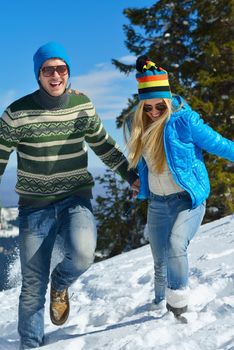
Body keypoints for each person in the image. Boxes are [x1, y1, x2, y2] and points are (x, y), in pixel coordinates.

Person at [0, 42, 139, 349]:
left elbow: (103, 144)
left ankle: (60, 284)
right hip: (34, 206)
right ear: (38, 75)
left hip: (75, 197)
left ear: (68, 73)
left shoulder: (82, 105)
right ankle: (31, 344)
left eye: (61, 68)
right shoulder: (16, 113)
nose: (55, 75)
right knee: (33, 283)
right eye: (48, 69)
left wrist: (129, 174)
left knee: (84, 254)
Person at [125, 55, 234, 319]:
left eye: (159, 107)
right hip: (158, 203)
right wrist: (138, 182)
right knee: (159, 261)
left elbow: (220, 144)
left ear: (167, 101)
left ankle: (178, 307)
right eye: (147, 108)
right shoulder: (135, 124)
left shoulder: (184, 121)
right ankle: (158, 305)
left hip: (188, 200)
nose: (153, 113)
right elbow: (141, 162)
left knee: (176, 245)